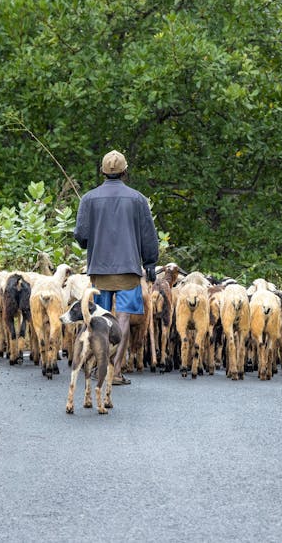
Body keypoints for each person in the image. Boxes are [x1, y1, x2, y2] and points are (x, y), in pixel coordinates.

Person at [74, 150, 159, 385]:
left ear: (102, 171)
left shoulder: (88, 199)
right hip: (129, 269)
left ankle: (98, 369)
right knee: (122, 318)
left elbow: (81, 237)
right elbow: (148, 236)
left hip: (99, 269)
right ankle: (116, 371)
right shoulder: (138, 199)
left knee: (100, 319)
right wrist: (150, 262)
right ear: (125, 171)